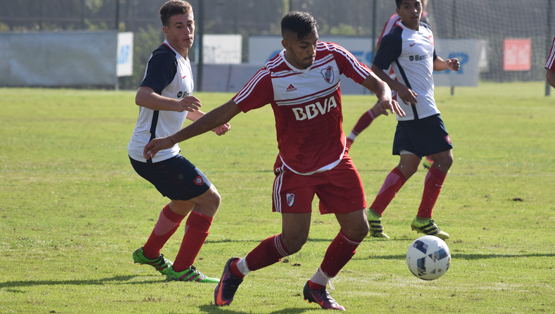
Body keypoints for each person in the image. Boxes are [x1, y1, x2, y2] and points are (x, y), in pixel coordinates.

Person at [143, 11, 404, 311]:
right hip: (297, 169)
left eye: (315, 43)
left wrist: (384, 96)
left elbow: (375, 81)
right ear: (286, 44)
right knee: (293, 241)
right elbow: (225, 112)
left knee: (358, 229)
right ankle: (236, 270)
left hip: (336, 160)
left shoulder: (332, 56)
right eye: (304, 46)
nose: (313, 51)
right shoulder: (271, 76)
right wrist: (171, 139)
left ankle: (317, 284)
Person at [128, 0, 230, 284]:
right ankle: (183, 269)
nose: (187, 30)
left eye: (190, 24)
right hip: (154, 152)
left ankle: (150, 253)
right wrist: (178, 104)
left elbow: (181, 104)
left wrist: (208, 121)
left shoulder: (182, 57)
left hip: (159, 150)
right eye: (179, 26)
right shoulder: (165, 58)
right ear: (166, 30)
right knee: (210, 200)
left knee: (184, 202)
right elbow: (143, 96)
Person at [366, 0, 460, 240]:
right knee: (444, 159)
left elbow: (433, 61)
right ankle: (423, 218)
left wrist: (446, 64)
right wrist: (399, 87)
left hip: (416, 110)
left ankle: (374, 215)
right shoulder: (395, 38)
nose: (413, 10)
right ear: (398, 12)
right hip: (421, 110)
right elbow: (375, 69)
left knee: (408, 166)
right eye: (407, 6)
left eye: (416, 5)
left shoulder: (426, 31)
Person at [346, 0, 434, 170]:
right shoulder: (396, 21)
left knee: (388, 110)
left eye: (420, 2)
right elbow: (381, 46)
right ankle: (431, 154)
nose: (419, 4)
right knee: (392, 110)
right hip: (396, 78)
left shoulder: (424, 23)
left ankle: (349, 141)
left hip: (413, 82)